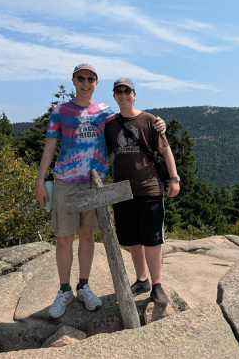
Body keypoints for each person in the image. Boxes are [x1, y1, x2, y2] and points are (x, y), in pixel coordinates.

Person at [34, 64, 165, 318]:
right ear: (73, 80)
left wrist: (158, 124)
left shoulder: (105, 112)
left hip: (95, 182)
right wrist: (40, 182)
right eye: (81, 78)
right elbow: (49, 148)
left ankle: (83, 286)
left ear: (96, 83)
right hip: (65, 181)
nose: (86, 83)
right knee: (63, 237)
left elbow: (130, 118)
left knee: (87, 234)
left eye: (90, 79)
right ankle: (64, 290)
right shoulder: (60, 111)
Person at [105, 77, 180, 306]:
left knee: (152, 239)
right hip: (122, 191)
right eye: (119, 91)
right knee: (132, 239)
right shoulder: (110, 124)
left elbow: (165, 151)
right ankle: (141, 280)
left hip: (149, 188)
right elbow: (103, 153)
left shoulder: (150, 120)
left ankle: (157, 285)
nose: (123, 95)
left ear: (134, 94)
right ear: (114, 96)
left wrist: (174, 179)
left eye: (127, 91)